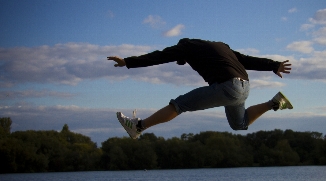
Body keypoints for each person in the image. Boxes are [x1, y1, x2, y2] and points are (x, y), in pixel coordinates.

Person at [107, 38, 293, 139]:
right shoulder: (221, 46)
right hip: (244, 87)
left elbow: (159, 56)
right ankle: (274, 103)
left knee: (179, 104)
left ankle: (138, 127)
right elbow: (245, 59)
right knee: (240, 124)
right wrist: (273, 65)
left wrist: (127, 62)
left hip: (228, 87)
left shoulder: (185, 47)